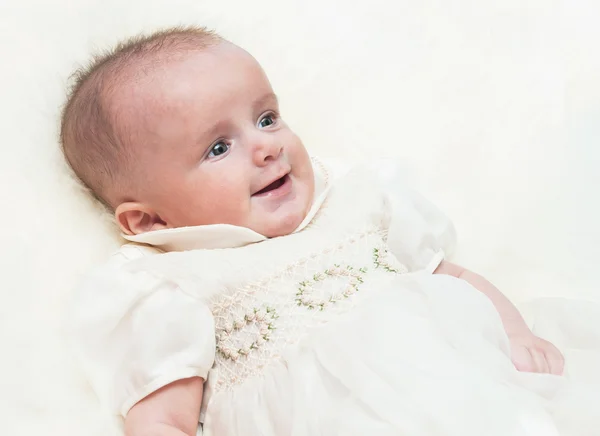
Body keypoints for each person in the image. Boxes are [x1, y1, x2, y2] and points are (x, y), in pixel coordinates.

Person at [63, 26, 573, 436]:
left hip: (457, 399)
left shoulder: (354, 204)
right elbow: (161, 418)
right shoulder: (177, 282)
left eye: (266, 117)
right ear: (151, 221)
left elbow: (450, 274)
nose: (266, 147)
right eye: (218, 148)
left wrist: (514, 331)